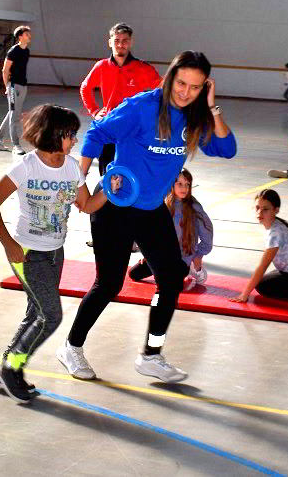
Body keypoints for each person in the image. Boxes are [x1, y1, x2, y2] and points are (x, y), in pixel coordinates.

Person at [57, 51, 236, 384]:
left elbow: (226, 149)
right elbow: (97, 135)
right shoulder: (142, 107)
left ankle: (151, 355)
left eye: (196, 87)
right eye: (181, 83)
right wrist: (77, 182)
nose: (185, 92)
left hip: (152, 209)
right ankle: (71, 346)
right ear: (170, 78)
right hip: (117, 205)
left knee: (171, 278)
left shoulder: (196, 117)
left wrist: (213, 108)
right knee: (109, 284)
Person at [0, 104, 106, 403]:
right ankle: (11, 369)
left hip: (55, 252)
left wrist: (111, 189)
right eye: (71, 134)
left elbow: (87, 205)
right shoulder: (26, 166)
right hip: (26, 253)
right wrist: (8, 243)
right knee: (50, 315)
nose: (75, 140)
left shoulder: (72, 167)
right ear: (55, 134)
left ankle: (4, 370)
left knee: (35, 313)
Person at [78, 23, 161, 174]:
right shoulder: (102, 66)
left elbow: (163, 89)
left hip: (134, 130)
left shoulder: (142, 68)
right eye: (116, 40)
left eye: (125, 40)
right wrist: (94, 111)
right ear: (110, 42)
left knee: (132, 172)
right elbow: (85, 87)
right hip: (110, 127)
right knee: (107, 174)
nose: (120, 44)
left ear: (131, 42)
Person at [128, 169, 212, 291]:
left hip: (182, 259)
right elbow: (149, 230)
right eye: (180, 184)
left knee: (167, 285)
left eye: (187, 184)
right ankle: (174, 277)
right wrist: (148, 254)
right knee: (134, 274)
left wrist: (198, 255)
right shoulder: (161, 203)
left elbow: (207, 233)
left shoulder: (194, 207)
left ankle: (192, 269)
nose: (184, 188)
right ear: (171, 184)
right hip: (161, 256)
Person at [0, 26, 32, 154]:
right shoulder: (13, 51)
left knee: (12, 112)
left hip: (23, 86)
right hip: (13, 86)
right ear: (20, 37)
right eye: (26, 34)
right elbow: (5, 70)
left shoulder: (27, 51)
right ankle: (16, 145)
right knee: (14, 116)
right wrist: (7, 87)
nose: (29, 36)